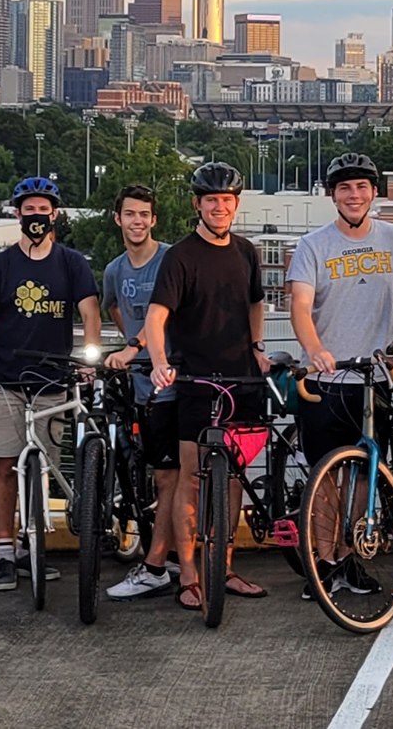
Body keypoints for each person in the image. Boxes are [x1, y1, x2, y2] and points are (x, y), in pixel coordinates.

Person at [0, 177, 103, 592]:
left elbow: (90, 312)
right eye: (29, 210)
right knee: (4, 466)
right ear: (17, 213)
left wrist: (90, 356)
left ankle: (29, 544)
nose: (36, 216)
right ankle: (4, 550)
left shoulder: (71, 262)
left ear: (55, 214)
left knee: (43, 469)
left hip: (53, 381)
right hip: (4, 380)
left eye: (43, 210)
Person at [288, 152, 393, 601]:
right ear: (333, 196)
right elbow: (300, 306)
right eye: (344, 188)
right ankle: (325, 565)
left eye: (362, 187)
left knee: (365, 474)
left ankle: (350, 560)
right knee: (326, 479)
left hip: (376, 379)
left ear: (374, 192)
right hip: (328, 380)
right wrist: (316, 349)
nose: (354, 195)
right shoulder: (314, 245)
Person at [149, 161, 272, 611]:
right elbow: (157, 315)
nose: (220, 208)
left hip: (241, 378)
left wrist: (257, 346)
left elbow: (257, 301)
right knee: (192, 480)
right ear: (197, 205)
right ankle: (189, 574)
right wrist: (160, 362)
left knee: (235, 478)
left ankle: (224, 567)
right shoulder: (180, 256)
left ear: (236, 204)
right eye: (211, 201)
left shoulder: (246, 251)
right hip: (197, 380)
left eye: (227, 201)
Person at [101, 185, 180, 601]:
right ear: (118, 219)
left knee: (169, 475)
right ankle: (160, 552)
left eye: (144, 214)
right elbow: (115, 308)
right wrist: (129, 344)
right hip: (138, 386)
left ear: (153, 220)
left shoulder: (170, 259)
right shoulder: (115, 269)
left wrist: (136, 347)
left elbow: (165, 319)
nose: (136, 221)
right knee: (148, 472)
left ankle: (156, 564)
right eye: (129, 214)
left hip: (169, 382)